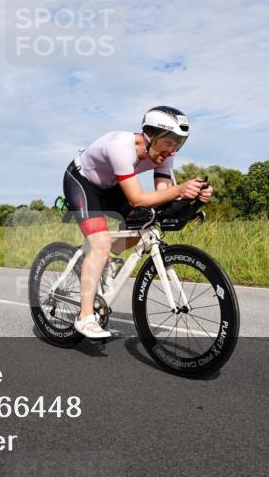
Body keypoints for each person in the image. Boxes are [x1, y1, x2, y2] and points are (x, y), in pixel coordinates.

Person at [62, 106, 213, 339]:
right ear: (150, 135)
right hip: (82, 182)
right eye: (170, 142)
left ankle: (105, 261)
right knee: (100, 243)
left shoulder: (163, 155)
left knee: (143, 224)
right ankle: (84, 316)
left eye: (179, 144)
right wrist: (179, 190)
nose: (173, 151)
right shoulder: (120, 147)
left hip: (112, 187)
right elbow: (136, 198)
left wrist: (192, 196)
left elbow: (163, 197)